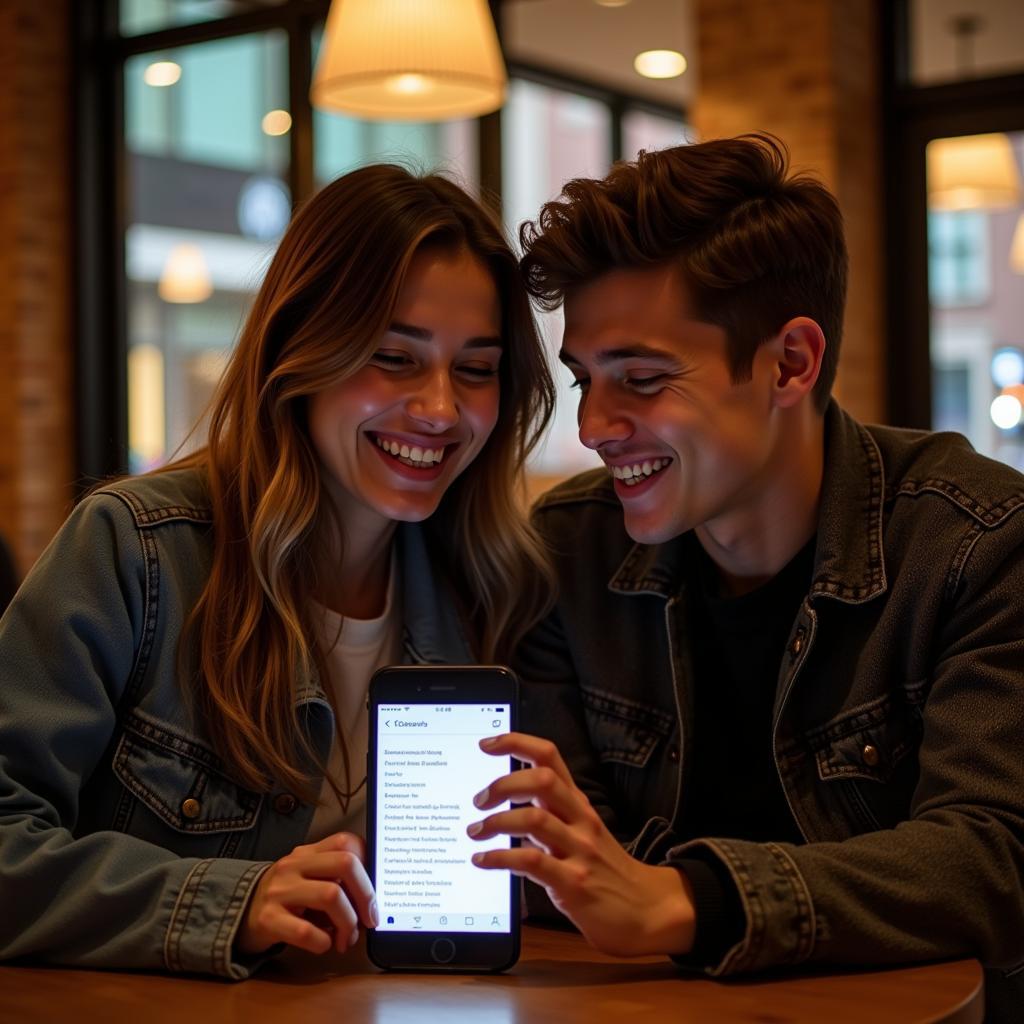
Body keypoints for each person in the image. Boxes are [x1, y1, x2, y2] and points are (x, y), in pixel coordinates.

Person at [465, 134, 1024, 1020]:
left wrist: (684, 901)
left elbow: (992, 858)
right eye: (584, 382)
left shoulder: (976, 544)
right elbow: (554, 852)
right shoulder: (566, 554)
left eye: (642, 380)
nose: (597, 426)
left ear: (789, 364)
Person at [0, 164, 555, 978]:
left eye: (475, 369)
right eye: (394, 358)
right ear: (302, 349)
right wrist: (229, 901)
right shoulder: (137, 552)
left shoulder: (496, 593)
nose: (440, 409)